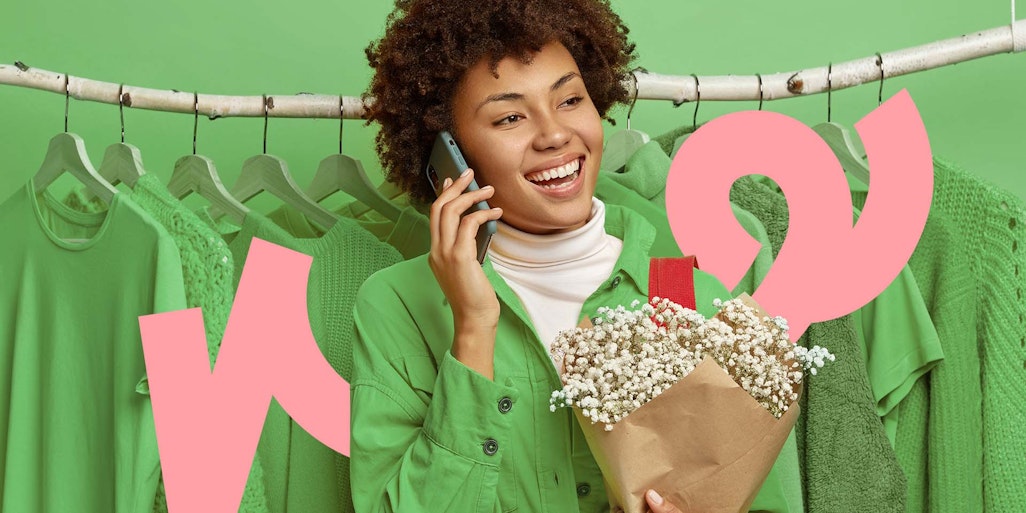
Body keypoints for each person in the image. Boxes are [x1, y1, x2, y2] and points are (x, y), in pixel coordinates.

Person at [350, 1, 730, 511]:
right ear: (449, 154)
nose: (554, 135)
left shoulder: (689, 297)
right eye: (509, 117)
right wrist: (473, 327)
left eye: (571, 100)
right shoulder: (395, 305)